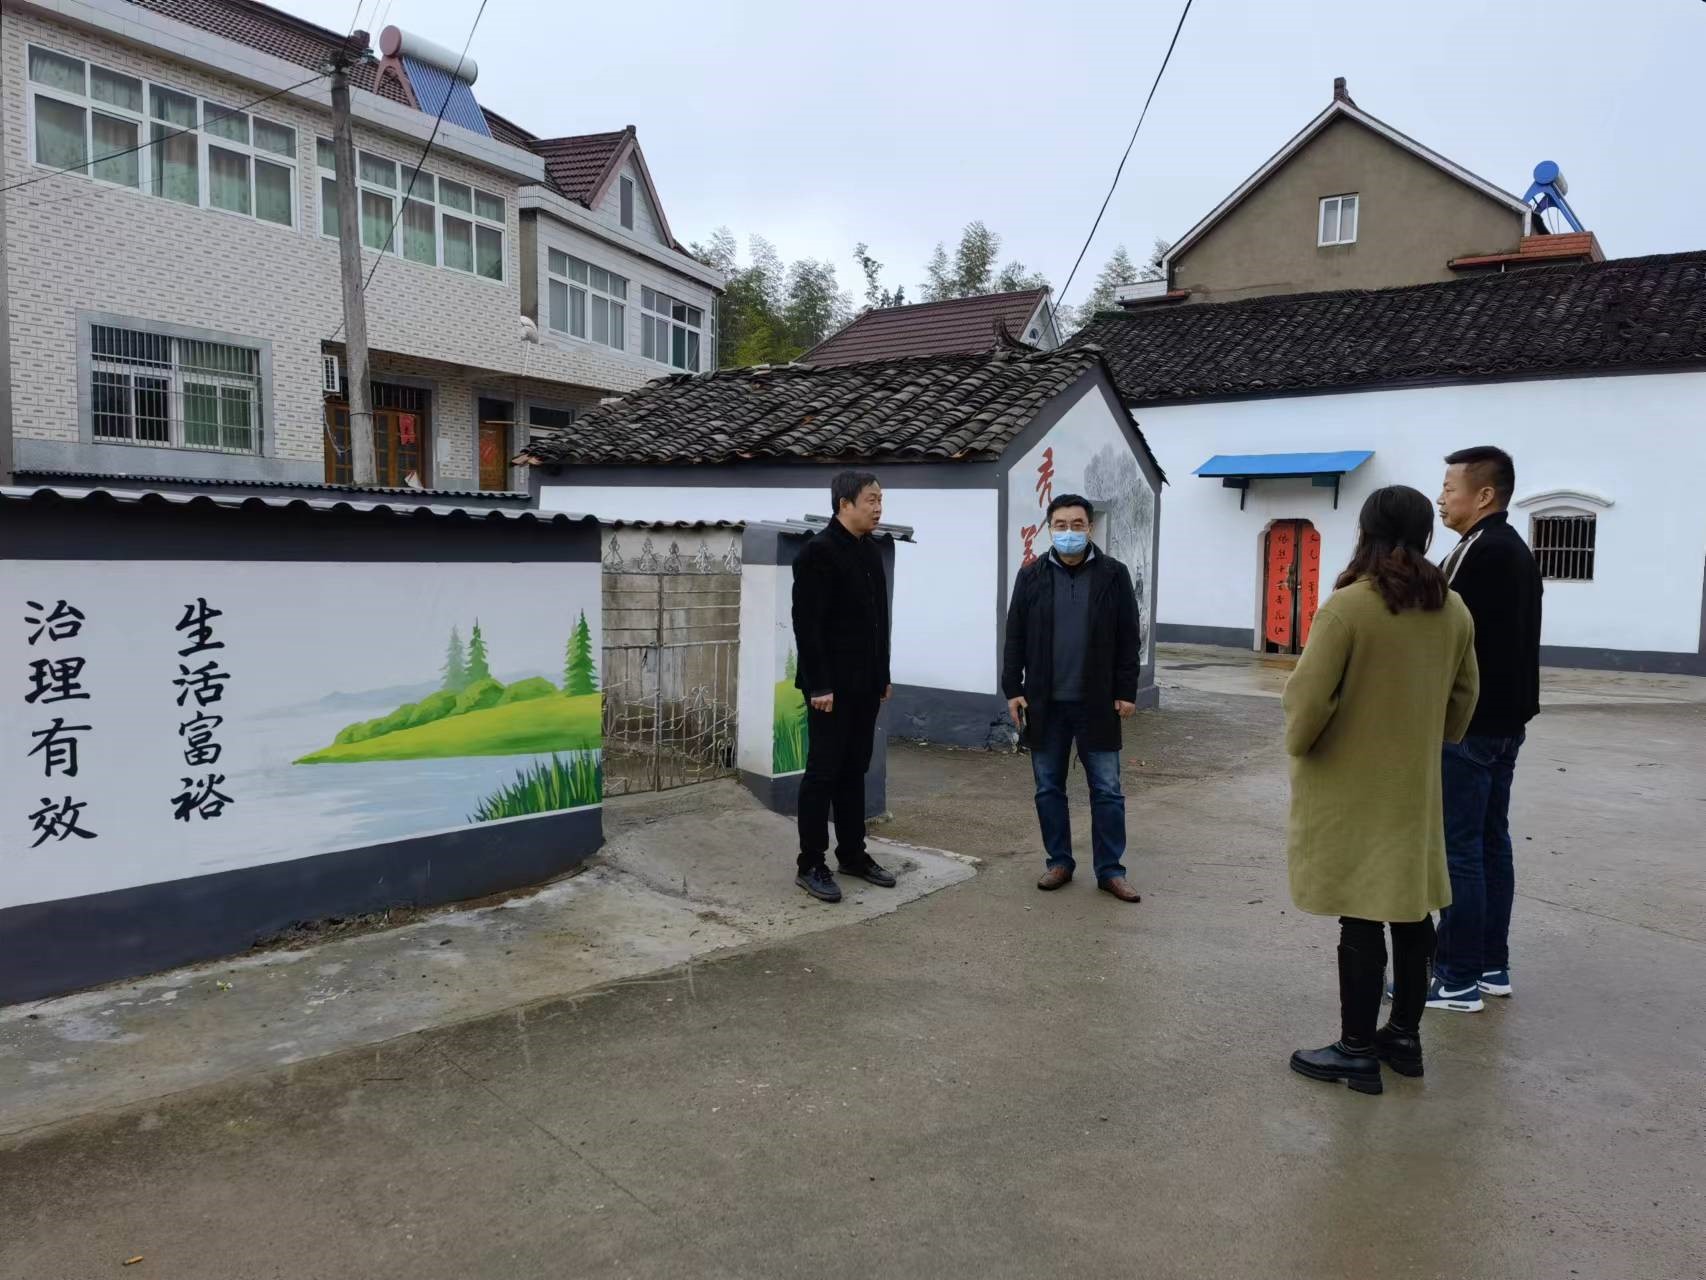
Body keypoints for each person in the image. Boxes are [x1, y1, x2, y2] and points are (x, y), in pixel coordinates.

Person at [1284, 486, 1479, 1095]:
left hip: (1350, 784)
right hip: (1414, 786)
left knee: (1361, 911)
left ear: (1365, 532)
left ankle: (1355, 1050)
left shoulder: (1349, 607)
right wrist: (1427, 736)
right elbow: (1464, 698)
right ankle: (1403, 1038)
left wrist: (1301, 743)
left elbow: (1308, 700)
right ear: (1425, 535)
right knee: (1411, 909)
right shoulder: (1453, 609)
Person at [1428, 446, 1543, 1011]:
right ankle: (1492, 965)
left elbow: (1444, 639)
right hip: (1505, 722)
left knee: (1462, 850)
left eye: (1450, 488)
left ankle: (1456, 978)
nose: (1441, 498)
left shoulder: (1482, 552)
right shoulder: (1511, 549)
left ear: (1485, 495)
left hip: (1471, 726)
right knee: (1491, 842)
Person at [1002, 494, 1143, 903]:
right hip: (1045, 702)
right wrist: (1013, 688)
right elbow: (1015, 635)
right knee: (1048, 787)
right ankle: (1059, 862)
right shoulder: (1030, 576)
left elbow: (1128, 636)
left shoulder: (1113, 575)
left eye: (1077, 524)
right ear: (1050, 529)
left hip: (1098, 701)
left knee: (1108, 790)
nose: (1069, 532)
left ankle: (1111, 870)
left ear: (1090, 528)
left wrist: (1126, 691)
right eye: (1061, 525)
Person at [790, 470, 894, 903]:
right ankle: (811, 862)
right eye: (871, 500)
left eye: (880, 500)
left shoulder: (870, 550)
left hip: (865, 685)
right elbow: (807, 625)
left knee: (855, 769)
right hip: (829, 689)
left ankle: (852, 853)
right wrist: (819, 685)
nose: (878, 508)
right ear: (844, 504)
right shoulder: (818, 552)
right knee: (823, 773)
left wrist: (882, 674)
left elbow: (879, 621)